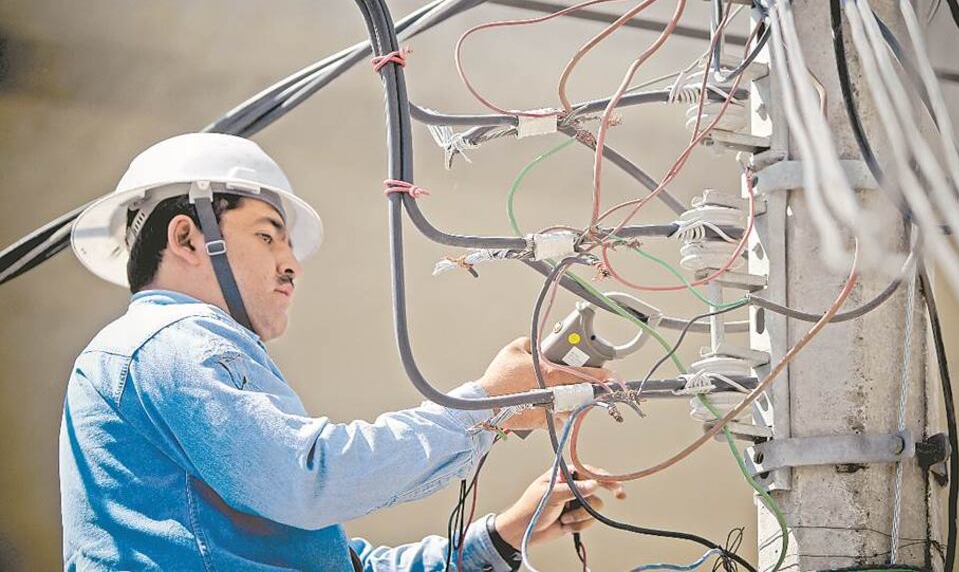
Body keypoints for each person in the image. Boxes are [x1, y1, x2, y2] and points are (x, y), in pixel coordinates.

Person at [60, 133, 623, 571]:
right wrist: (483, 404)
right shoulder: (172, 342)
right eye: (266, 235)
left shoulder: (173, 361)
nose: (291, 263)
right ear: (186, 238)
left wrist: (504, 533)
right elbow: (309, 482)